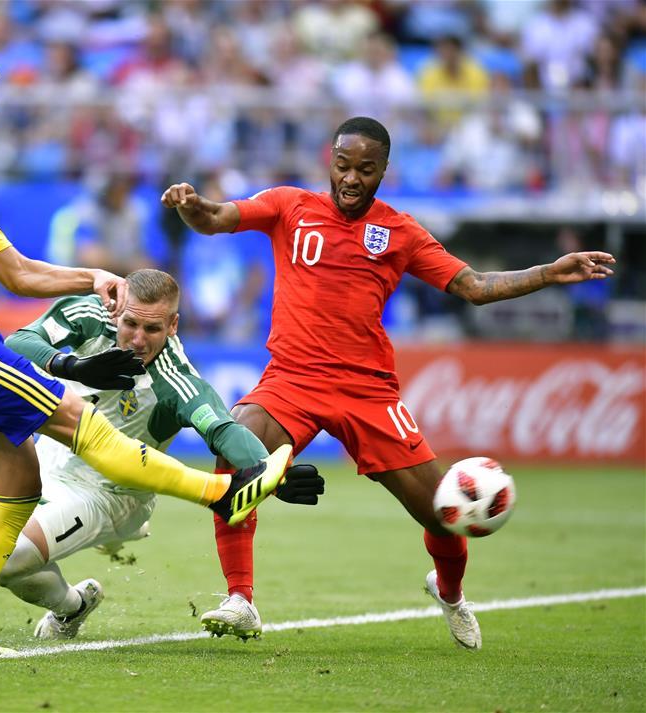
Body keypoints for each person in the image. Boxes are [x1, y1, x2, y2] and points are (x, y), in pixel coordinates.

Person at [0, 49, 306, 656]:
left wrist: (91, 276)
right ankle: (220, 494)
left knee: (18, 482)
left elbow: (18, 272)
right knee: (76, 418)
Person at [161, 116, 615, 650]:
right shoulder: (289, 205)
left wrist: (548, 273)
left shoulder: (399, 231)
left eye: (365, 169)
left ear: (383, 171)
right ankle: (241, 599)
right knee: (235, 445)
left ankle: (450, 593)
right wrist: (192, 206)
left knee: (443, 512)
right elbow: (216, 217)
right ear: (330, 162)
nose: (351, 178)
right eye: (343, 166)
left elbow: (474, 286)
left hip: (368, 392)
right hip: (293, 379)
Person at [0, 269, 323, 640]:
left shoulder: (175, 380)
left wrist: (274, 473)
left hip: (108, 493)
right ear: (118, 309)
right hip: (50, 457)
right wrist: (71, 365)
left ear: (173, 325)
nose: (137, 340)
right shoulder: (90, 315)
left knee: (9, 558)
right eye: (131, 324)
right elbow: (18, 341)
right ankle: (74, 605)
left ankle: (69, 605)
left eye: (152, 329)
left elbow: (222, 430)